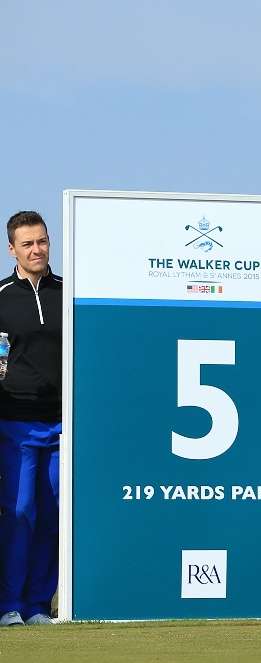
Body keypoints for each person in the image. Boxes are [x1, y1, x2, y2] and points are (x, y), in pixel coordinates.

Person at [0, 211, 62, 626]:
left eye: (41, 241)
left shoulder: (67, 291)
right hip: (15, 423)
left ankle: (40, 604)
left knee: (54, 512)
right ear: (12, 249)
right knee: (20, 513)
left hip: (63, 424)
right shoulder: (1, 294)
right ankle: (9, 605)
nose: (36, 250)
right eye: (28, 244)